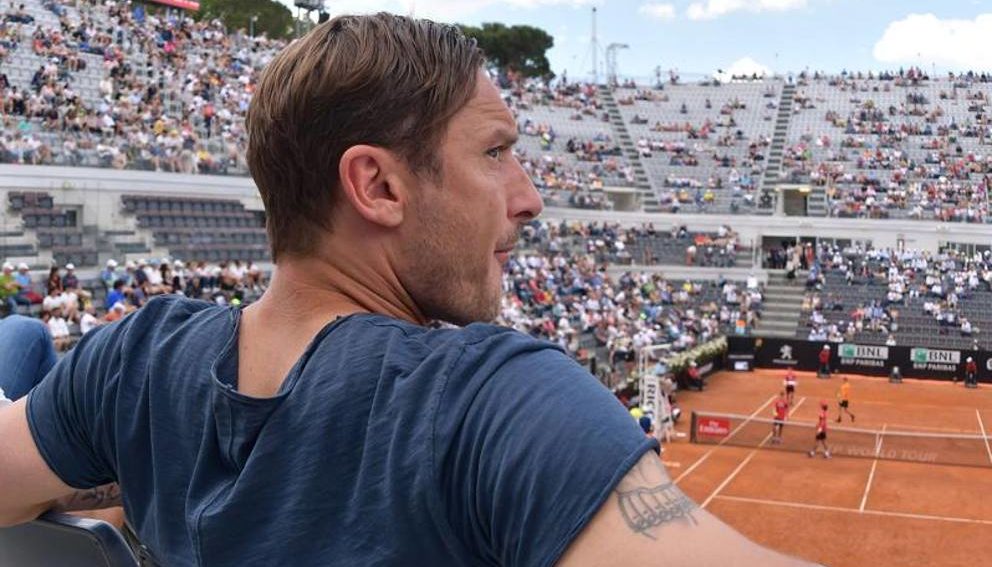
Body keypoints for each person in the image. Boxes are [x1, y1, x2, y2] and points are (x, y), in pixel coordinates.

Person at [0, 14, 815, 567]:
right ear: (378, 186)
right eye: (494, 152)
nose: (529, 197)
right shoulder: (490, 398)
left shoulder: (134, 361)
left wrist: (120, 481)